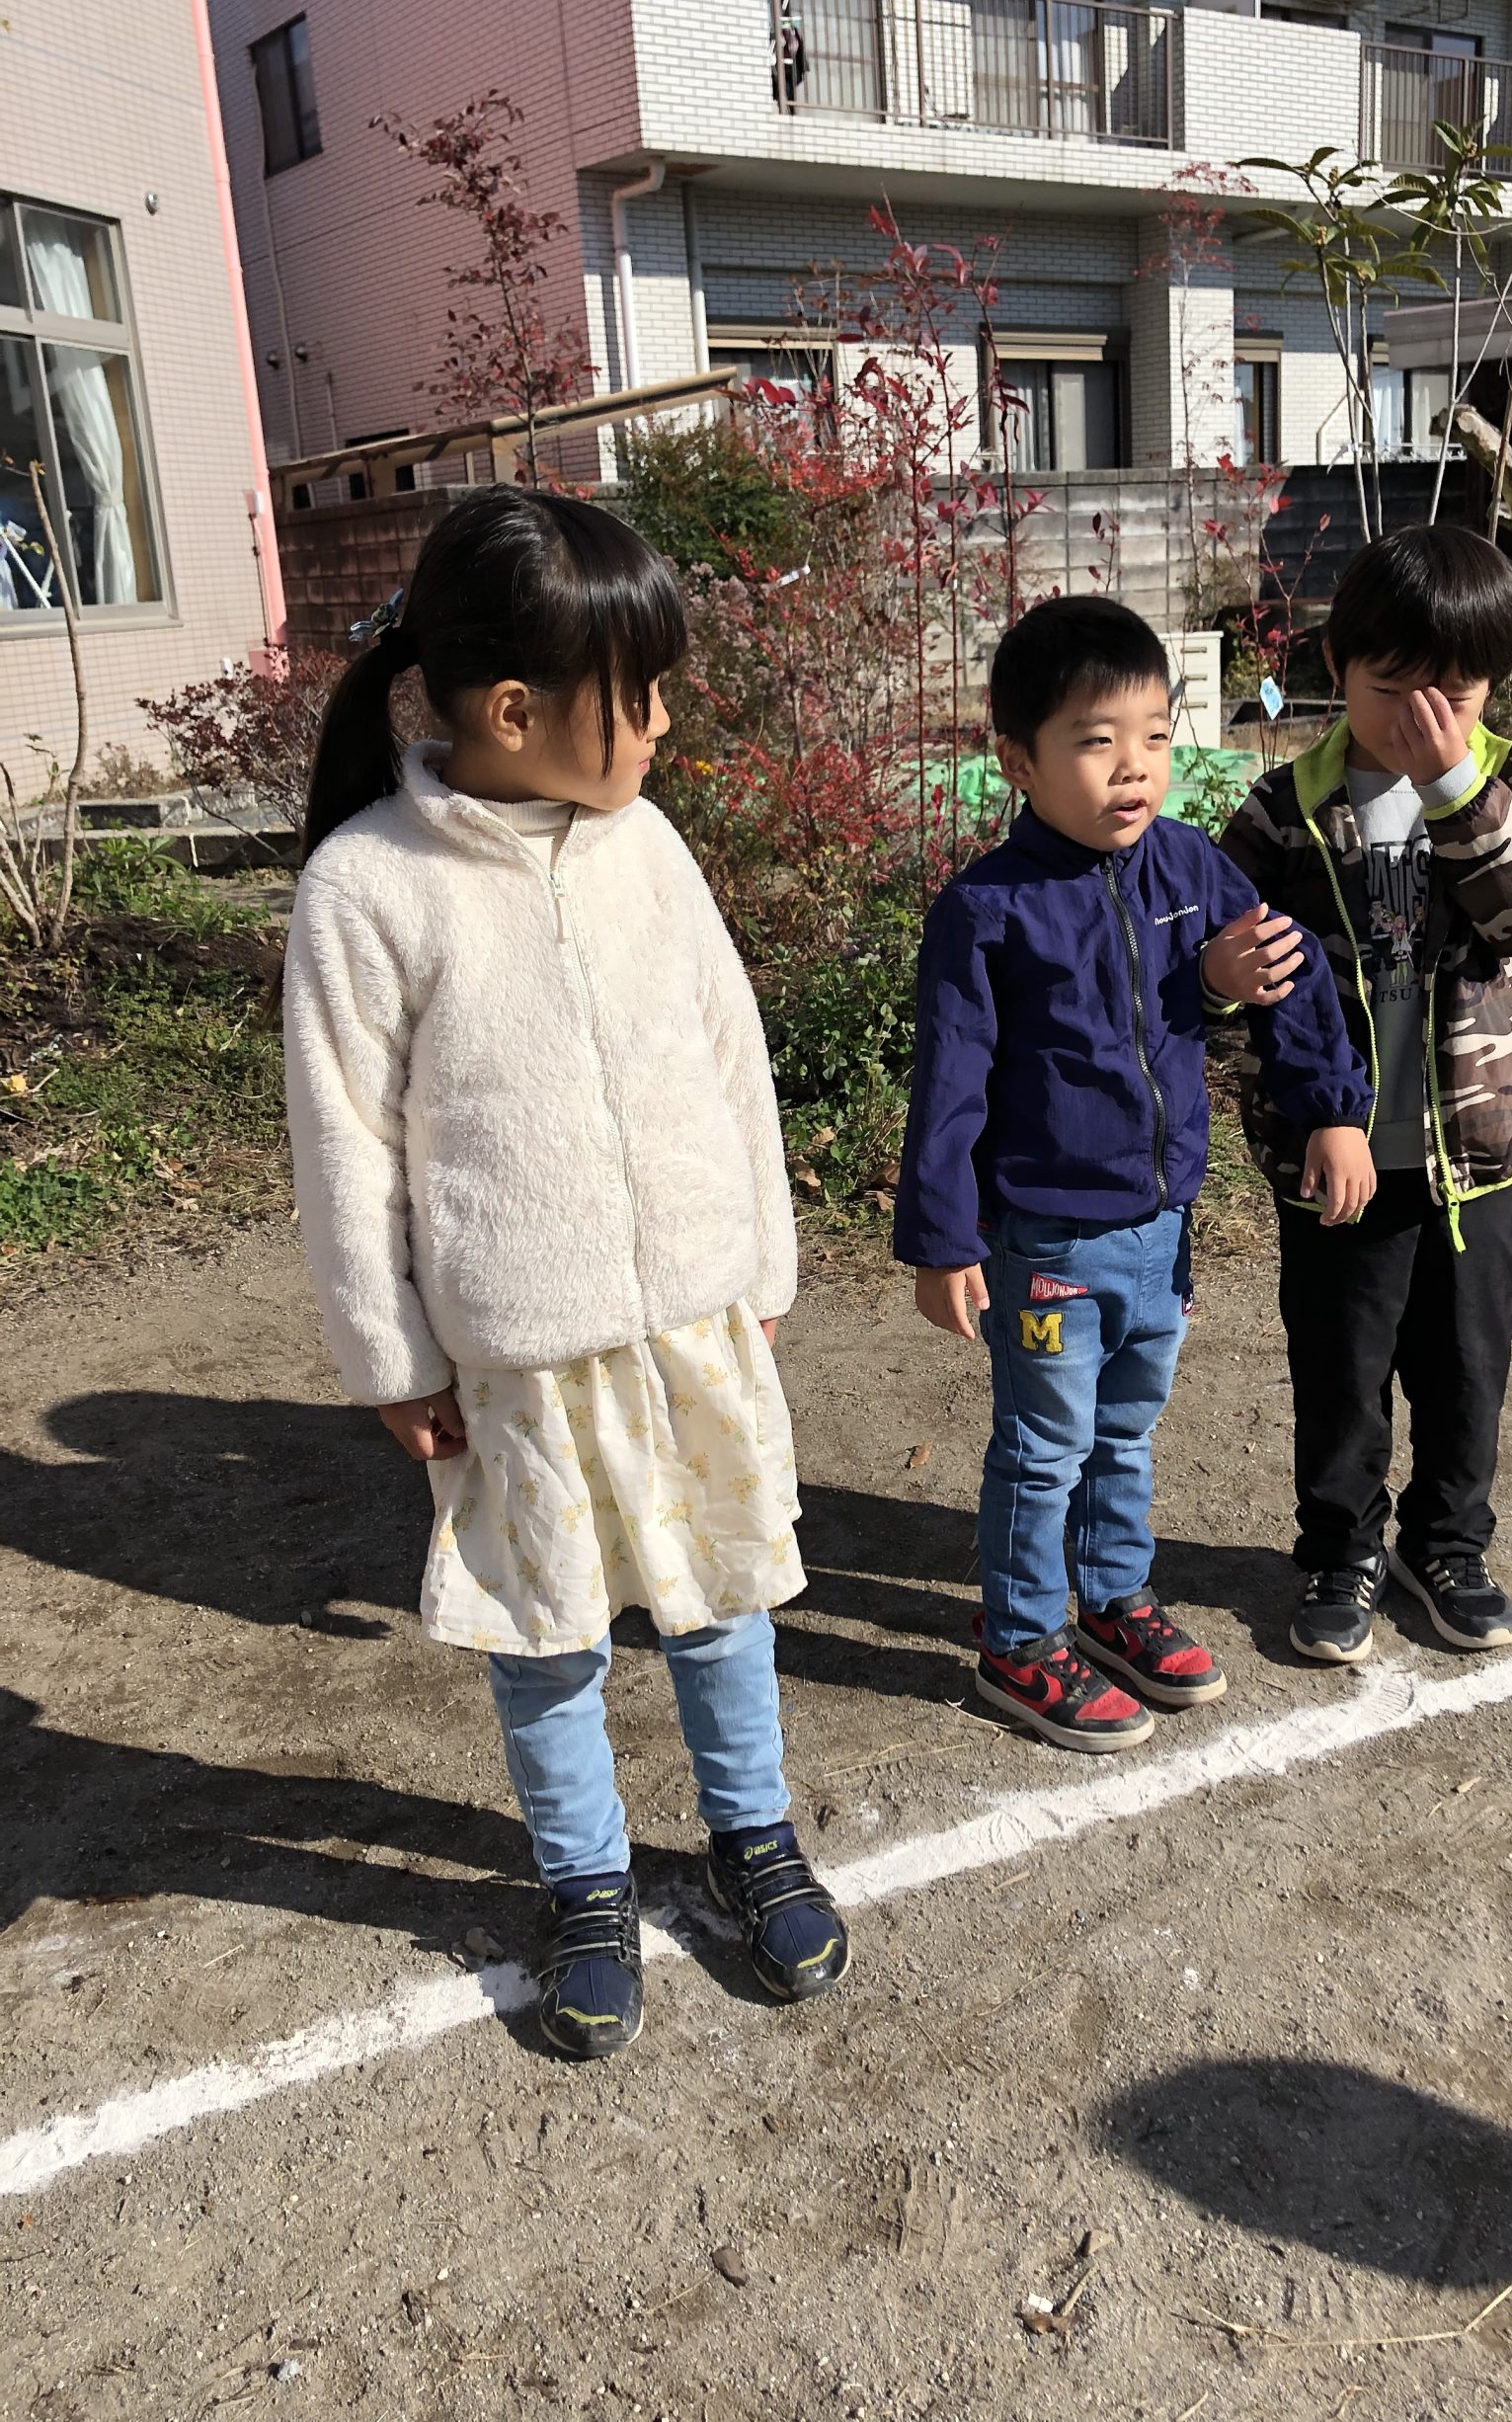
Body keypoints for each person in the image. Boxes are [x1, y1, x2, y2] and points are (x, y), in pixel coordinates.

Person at [282, 485, 847, 2060]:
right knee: (546, 1639)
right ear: (517, 710)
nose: (663, 722)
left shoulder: (646, 845)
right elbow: (345, 1152)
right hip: (516, 1354)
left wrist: (761, 1253)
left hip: (694, 1321)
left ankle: (752, 1837)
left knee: (726, 1600)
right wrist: (393, 1361)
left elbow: (731, 1054)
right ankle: (587, 1885)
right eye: (640, 691)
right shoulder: (370, 887)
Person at [895, 596, 1373, 1751]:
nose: (1134, 767)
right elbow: (949, 1087)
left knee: (1125, 1429)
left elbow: (1286, 969)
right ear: (1019, 761)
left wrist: (1331, 1110)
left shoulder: (1191, 865)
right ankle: (1020, 1640)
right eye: (1097, 740)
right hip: (1047, 1239)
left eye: (1155, 736)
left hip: (1162, 1228)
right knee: (1043, 1445)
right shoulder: (986, 910)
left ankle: (1112, 1599)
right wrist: (942, 1239)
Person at [1221, 524, 1512, 1668]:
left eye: (1454, 697)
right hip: (1336, 1161)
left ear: (1492, 687)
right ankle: (1340, 1550)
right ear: (1337, 667)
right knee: (1341, 1370)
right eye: (1392, 692)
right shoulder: (1285, 808)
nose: (1422, 720)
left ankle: (1447, 1545)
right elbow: (1221, 976)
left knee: (1466, 1370)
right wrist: (1217, 977)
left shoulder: (1511, 783)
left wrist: (1457, 788)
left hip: (1474, 1153)